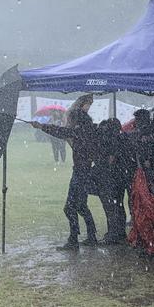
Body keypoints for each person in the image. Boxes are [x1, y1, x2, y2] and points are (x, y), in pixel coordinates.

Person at [31, 99, 98, 250]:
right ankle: (91, 236)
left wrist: (41, 126)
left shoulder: (80, 131)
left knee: (70, 207)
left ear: (76, 120)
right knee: (80, 206)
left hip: (81, 172)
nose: (69, 122)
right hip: (84, 171)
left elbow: (62, 132)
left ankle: (74, 239)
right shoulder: (87, 130)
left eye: (70, 120)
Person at [95, 118, 129, 245]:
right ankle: (120, 233)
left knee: (111, 207)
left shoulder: (112, 140)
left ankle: (113, 234)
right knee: (118, 206)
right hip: (121, 177)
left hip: (112, 178)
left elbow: (111, 159)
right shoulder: (123, 138)